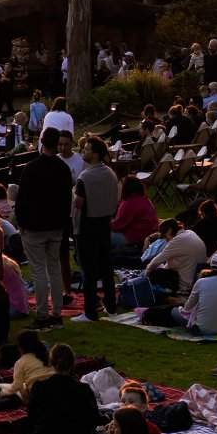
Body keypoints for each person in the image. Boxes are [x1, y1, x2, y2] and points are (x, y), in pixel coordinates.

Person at [4, 343, 100, 434]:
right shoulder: (84, 389)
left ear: (51, 362)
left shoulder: (39, 387)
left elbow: (32, 418)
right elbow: (94, 420)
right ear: (72, 364)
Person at [16, 128, 74, 326]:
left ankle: (42, 313)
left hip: (35, 226)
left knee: (39, 271)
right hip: (56, 225)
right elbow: (68, 199)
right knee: (54, 268)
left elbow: (22, 199)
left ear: (42, 141)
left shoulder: (32, 168)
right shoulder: (63, 169)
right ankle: (56, 312)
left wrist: (22, 223)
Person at [74, 137, 120, 319]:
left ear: (94, 154)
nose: (83, 152)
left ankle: (90, 310)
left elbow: (79, 204)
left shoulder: (85, 177)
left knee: (89, 270)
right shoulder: (110, 173)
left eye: (86, 149)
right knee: (105, 267)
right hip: (105, 222)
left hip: (87, 224)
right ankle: (110, 304)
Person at [143, 218, 207, 293]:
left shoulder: (177, 241)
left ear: (169, 230)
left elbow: (156, 261)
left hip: (184, 282)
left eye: (165, 235)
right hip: (194, 274)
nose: (166, 240)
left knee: (154, 272)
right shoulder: (190, 233)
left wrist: (145, 276)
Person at [9, 331, 51, 401]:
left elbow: (16, 386)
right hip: (57, 389)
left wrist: (3, 389)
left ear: (20, 347)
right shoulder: (48, 356)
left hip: (39, 396)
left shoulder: (21, 362)